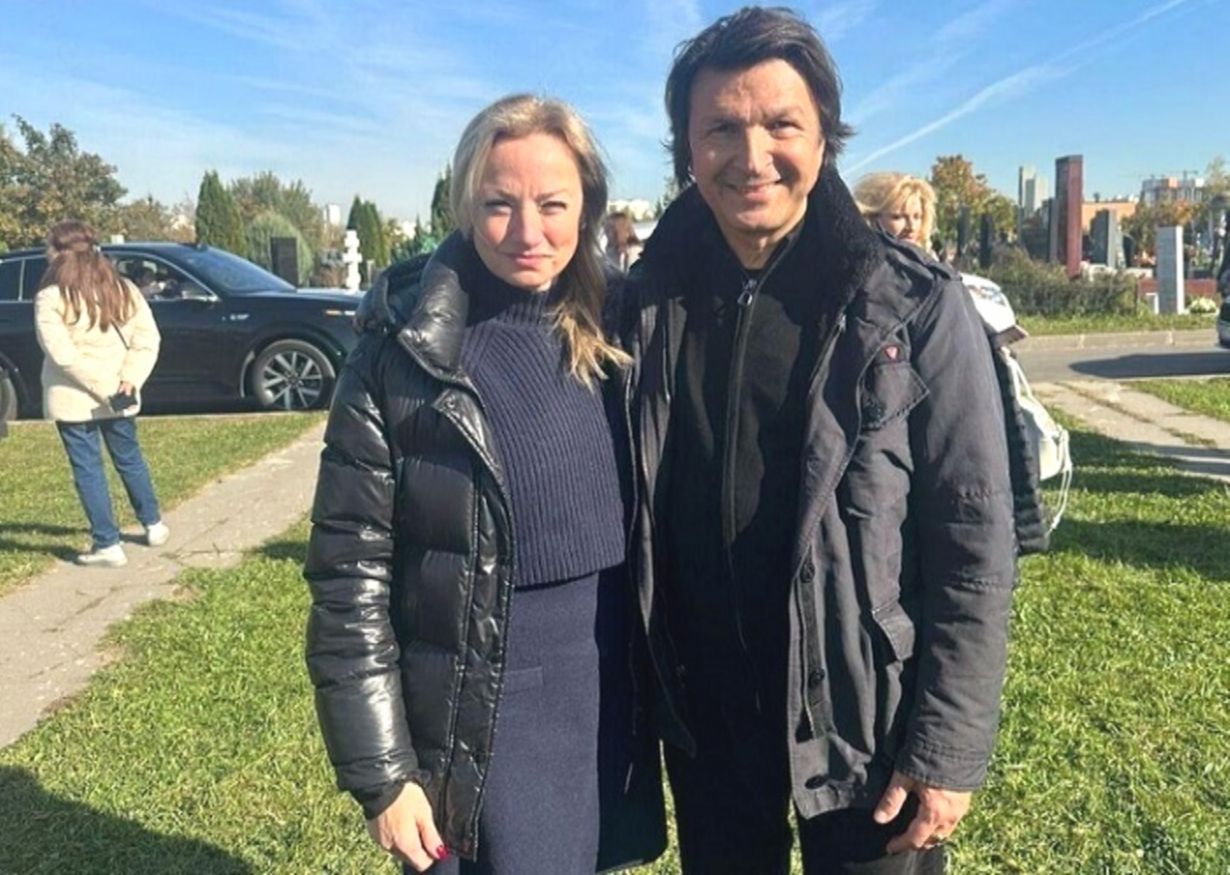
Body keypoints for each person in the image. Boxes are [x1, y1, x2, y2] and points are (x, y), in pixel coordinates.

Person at [622, 7, 1017, 873]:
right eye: (720, 129)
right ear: (686, 149)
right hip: (710, 722)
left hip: (867, 724)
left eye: (781, 124)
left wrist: (948, 745)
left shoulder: (911, 305)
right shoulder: (646, 305)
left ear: (824, 137)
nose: (751, 155)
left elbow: (975, 537)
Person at [303, 93, 665, 874]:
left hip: (604, 677)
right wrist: (383, 773)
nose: (528, 232)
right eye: (499, 204)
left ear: (588, 206)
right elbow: (347, 575)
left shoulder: (622, 325)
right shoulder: (405, 352)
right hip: (485, 695)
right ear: (465, 206)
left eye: (553, 204)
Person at [34, 220, 168, 568]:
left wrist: (108, 387)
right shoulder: (123, 289)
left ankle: (107, 543)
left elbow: (62, 355)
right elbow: (147, 340)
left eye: (49, 247)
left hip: (75, 398)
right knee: (130, 459)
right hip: (121, 393)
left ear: (60, 253)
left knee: (88, 468)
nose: (46, 253)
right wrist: (129, 380)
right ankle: (153, 524)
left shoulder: (51, 298)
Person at [855, 171, 937, 253]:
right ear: (871, 217)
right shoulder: (862, 258)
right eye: (898, 217)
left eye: (917, 217)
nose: (912, 227)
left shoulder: (928, 257)